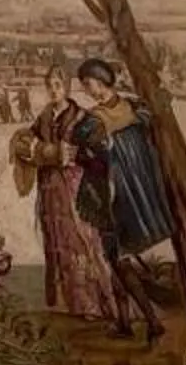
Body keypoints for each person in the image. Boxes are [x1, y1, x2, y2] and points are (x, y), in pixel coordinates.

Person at [70, 56, 177, 342]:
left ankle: (149, 322)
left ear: (100, 82)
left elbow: (81, 147)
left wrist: (88, 156)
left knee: (118, 261)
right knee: (116, 261)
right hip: (135, 199)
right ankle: (126, 322)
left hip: (111, 201)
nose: (87, 90)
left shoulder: (94, 120)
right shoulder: (135, 108)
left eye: (88, 84)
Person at [13, 65, 118, 322]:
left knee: (80, 240)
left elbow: (96, 153)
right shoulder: (44, 117)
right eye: (49, 85)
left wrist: (66, 154)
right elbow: (28, 142)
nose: (53, 90)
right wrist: (34, 148)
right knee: (55, 240)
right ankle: (66, 303)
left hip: (74, 188)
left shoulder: (82, 117)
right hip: (50, 188)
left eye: (57, 85)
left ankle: (92, 304)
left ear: (67, 87)